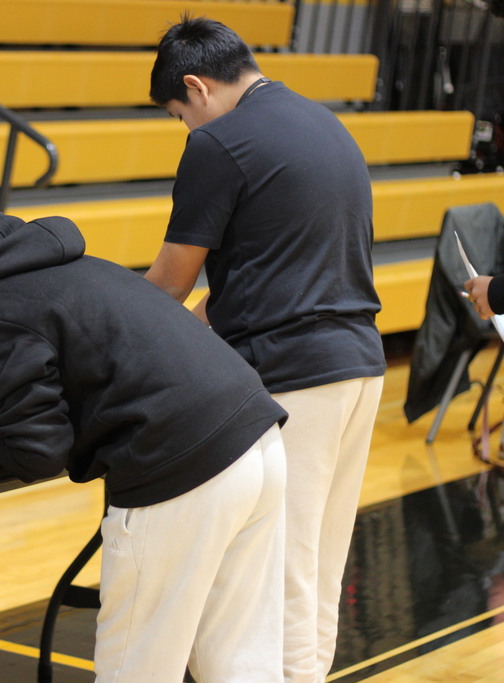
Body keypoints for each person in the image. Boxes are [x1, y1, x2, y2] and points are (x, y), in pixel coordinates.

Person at [0, 209, 290, 682]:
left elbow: (39, 454)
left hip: (181, 464)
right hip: (254, 436)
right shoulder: (32, 272)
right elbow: (75, 377)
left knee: (135, 666)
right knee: (238, 655)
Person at [143, 16, 387, 683]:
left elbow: (169, 280)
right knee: (317, 560)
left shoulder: (219, 143)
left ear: (196, 86)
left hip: (295, 376)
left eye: (177, 114)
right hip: (361, 365)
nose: (185, 128)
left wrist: (109, 319)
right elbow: (282, 264)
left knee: (281, 568)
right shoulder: (323, 123)